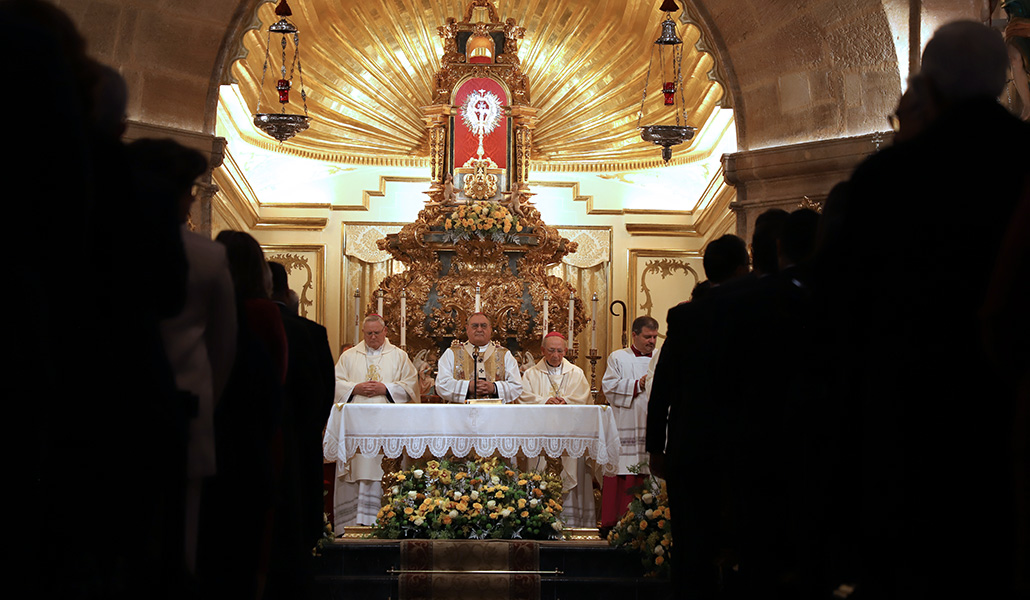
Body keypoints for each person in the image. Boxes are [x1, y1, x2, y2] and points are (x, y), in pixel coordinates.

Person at [817, 20, 1030, 598]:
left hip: (907, 435)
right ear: (1005, 79)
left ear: (928, 88)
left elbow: (837, 324)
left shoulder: (887, 179)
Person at [332, 314, 419, 528]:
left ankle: (386, 520)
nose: (372, 337)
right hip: (356, 426)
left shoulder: (399, 356)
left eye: (376, 333)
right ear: (363, 333)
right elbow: (334, 382)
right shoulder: (349, 356)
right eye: (368, 333)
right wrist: (354, 388)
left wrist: (386, 389)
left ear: (385, 332)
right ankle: (352, 523)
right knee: (357, 468)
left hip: (387, 427)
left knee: (382, 468)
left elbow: (412, 385)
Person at [518, 332, 595, 527]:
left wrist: (566, 401)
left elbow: (584, 398)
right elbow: (522, 398)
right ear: (542, 351)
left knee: (571, 473)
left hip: (569, 435)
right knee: (539, 474)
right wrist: (544, 400)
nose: (555, 355)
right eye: (551, 350)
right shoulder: (531, 374)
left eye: (560, 351)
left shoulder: (576, 373)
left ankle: (572, 523)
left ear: (566, 351)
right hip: (540, 437)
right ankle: (538, 521)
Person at [600, 315, 659, 529]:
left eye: (654, 337)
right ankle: (616, 523)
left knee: (649, 472)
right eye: (647, 336)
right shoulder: (618, 357)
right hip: (625, 423)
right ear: (634, 335)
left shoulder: (661, 358)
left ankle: (650, 524)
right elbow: (609, 387)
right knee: (624, 471)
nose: (652, 341)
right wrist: (637, 384)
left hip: (652, 425)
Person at [435, 312, 523, 403]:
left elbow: (517, 386)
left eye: (484, 326)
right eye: (475, 326)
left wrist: (494, 388)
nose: (479, 329)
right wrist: (468, 386)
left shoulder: (504, 355)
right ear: (467, 328)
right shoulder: (452, 353)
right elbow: (441, 385)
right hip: (461, 413)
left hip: (496, 413)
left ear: (490, 329)